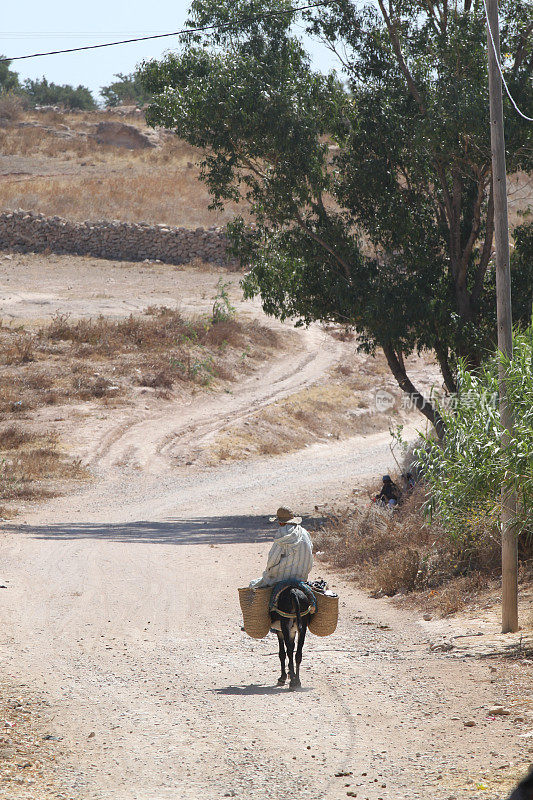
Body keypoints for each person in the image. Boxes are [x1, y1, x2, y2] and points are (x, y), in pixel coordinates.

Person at [249, 507, 313, 589]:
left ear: (280, 522)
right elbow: (310, 552)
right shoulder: (305, 532)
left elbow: (273, 559)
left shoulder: (283, 533)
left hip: (281, 579)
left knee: (253, 585)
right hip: (302, 578)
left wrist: (268, 572)